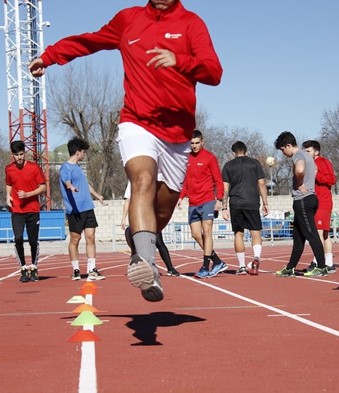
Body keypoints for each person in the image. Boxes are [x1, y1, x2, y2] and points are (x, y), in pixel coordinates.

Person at [29, 0, 222, 301]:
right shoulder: (128, 20)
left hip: (177, 135)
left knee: (162, 211)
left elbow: (214, 72)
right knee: (142, 179)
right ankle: (148, 267)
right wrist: (50, 57)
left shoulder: (191, 23)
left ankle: (138, 238)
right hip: (137, 122)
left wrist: (180, 60)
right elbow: (90, 41)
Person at [273, 131, 327, 278]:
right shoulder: (308, 155)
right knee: (298, 237)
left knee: (311, 234)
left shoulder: (298, 156)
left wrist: (301, 182)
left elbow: (300, 169)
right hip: (309, 198)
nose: (283, 153)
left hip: (303, 199)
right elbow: (315, 169)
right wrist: (310, 183)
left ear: (288, 145)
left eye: (283, 149)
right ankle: (290, 267)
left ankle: (322, 266)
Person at [177, 130, 227, 278]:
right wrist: (181, 197)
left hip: (207, 200)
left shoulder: (210, 158)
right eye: (192, 143)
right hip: (193, 202)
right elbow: (185, 181)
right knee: (195, 234)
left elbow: (218, 180)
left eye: (197, 143)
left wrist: (219, 199)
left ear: (202, 142)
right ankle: (217, 261)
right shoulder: (186, 159)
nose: (194, 146)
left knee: (207, 231)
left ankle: (205, 266)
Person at [60, 137, 106, 281]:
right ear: (78, 152)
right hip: (75, 210)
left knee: (91, 237)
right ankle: (75, 270)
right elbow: (66, 181)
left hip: (88, 208)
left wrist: (98, 196)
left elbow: (86, 185)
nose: (84, 154)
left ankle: (92, 269)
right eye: (83, 151)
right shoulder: (65, 167)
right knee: (75, 238)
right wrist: (70, 186)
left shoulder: (79, 168)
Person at [221, 141, 269, 275]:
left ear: (233, 153)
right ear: (246, 151)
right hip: (252, 201)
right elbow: (261, 183)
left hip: (235, 202)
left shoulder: (228, 165)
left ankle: (242, 266)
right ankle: (256, 258)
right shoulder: (254, 163)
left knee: (238, 233)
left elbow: (225, 189)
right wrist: (265, 203)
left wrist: (223, 208)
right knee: (255, 232)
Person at [5, 140, 47, 283]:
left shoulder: (34, 168)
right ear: (13, 155)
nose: (19, 158)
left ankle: (34, 267)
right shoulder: (9, 169)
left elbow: (43, 187)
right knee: (17, 238)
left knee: (33, 240)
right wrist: (7, 196)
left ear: (25, 153)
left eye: (22, 154)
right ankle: (23, 267)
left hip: (33, 209)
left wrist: (28, 194)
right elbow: (9, 184)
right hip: (17, 210)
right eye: (16, 155)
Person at [121, 182, 180, 277]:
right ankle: (137, 268)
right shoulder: (133, 181)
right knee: (135, 243)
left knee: (159, 242)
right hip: (139, 217)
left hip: (151, 216)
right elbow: (128, 200)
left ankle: (170, 268)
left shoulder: (153, 178)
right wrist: (123, 218)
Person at [302, 140, 337, 274]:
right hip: (312, 202)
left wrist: (317, 174)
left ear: (316, 151)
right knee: (325, 233)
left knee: (319, 232)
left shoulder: (324, 162)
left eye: (308, 151)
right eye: (304, 151)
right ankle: (329, 263)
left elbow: (332, 180)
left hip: (323, 202)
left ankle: (318, 261)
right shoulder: (306, 164)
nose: (306, 153)